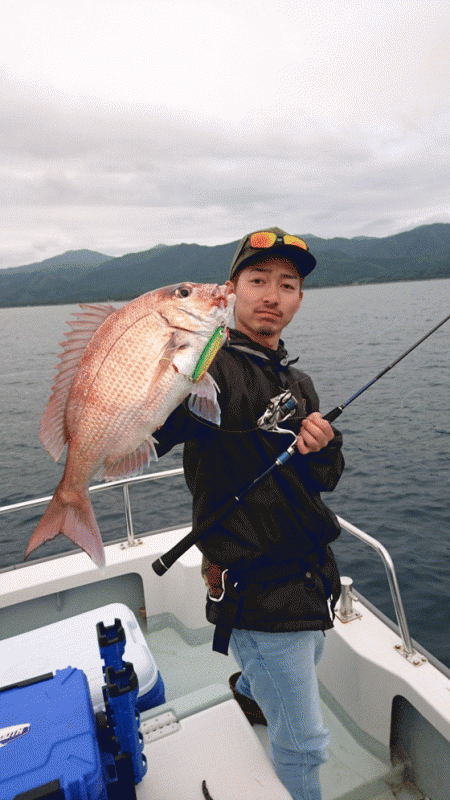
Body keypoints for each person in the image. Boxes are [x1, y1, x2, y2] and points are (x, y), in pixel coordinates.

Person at [154, 227, 345, 800]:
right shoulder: (208, 367)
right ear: (231, 290)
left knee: (302, 669)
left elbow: (325, 479)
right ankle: (259, 691)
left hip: (310, 575)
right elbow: (161, 426)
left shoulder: (297, 382)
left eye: (287, 284)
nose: (272, 295)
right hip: (255, 586)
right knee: (305, 743)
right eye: (258, 280)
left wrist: (324, 448)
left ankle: (251, 690)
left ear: (299, 299)